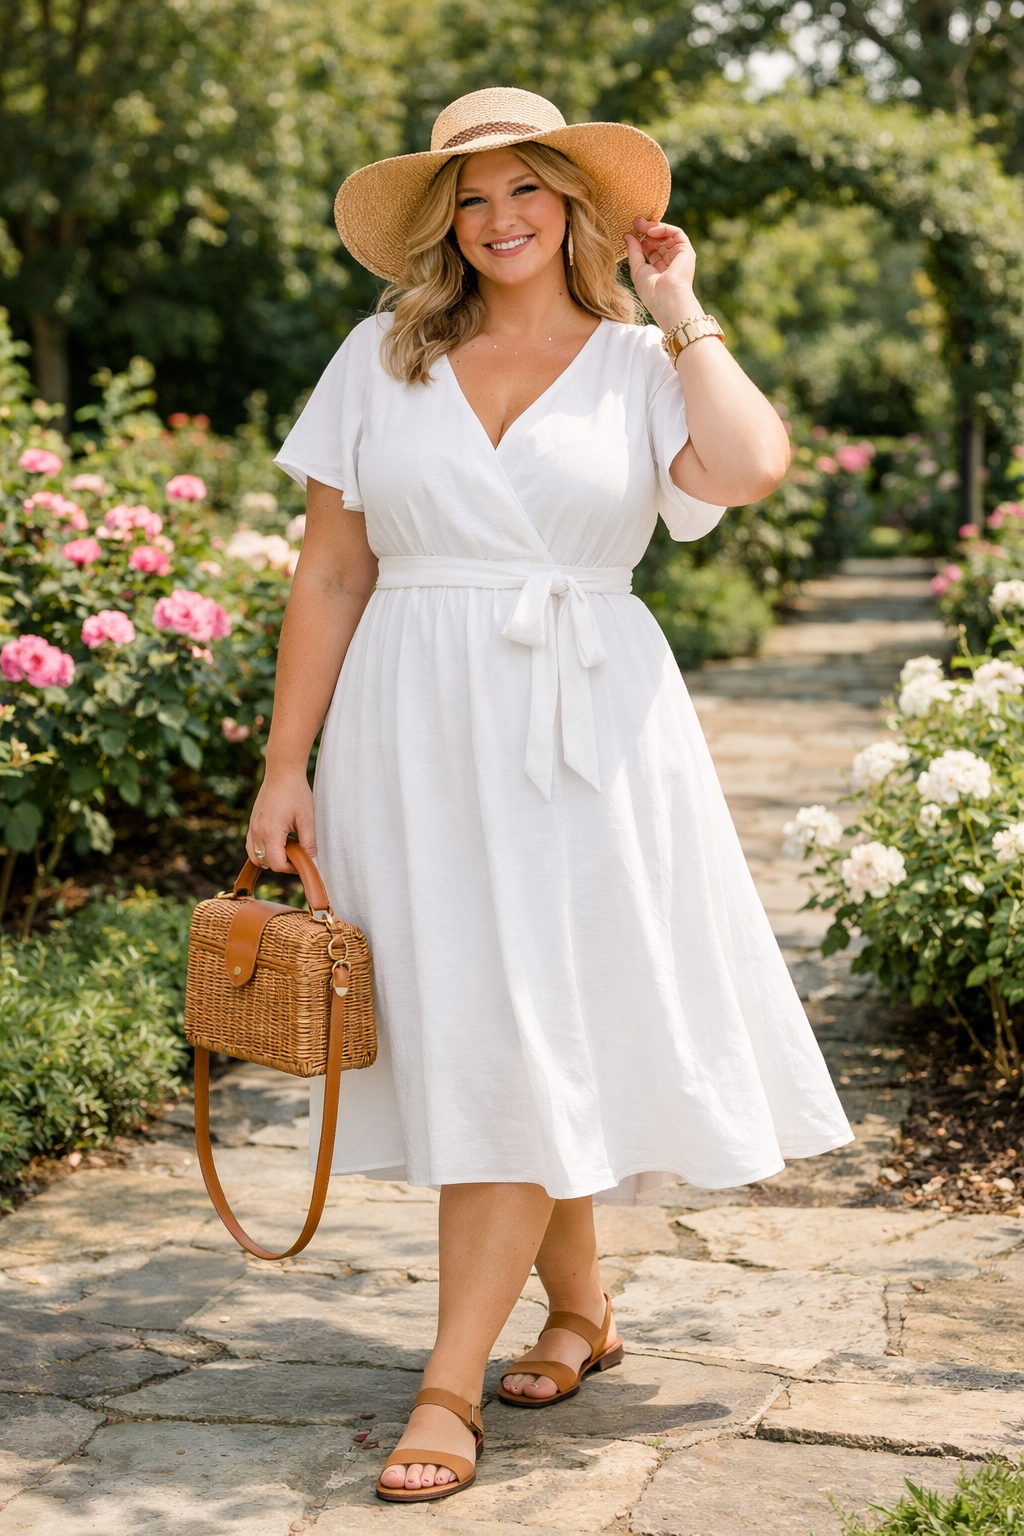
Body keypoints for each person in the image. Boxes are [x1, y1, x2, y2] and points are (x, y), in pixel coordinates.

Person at [248, 86, 852, 1504]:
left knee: (526, 1020)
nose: (499, 218)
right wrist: (288, 763)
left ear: (576, 209)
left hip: (589, 725)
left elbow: (752, 466)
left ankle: (448, 1384)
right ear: (443, 222)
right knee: (499, 1016)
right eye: (471, 196)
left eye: (527, 191)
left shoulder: (646, 363)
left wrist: (682, 302)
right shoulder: (379, 357)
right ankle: (578, 1312)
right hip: (413, 718)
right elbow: (332, 571)